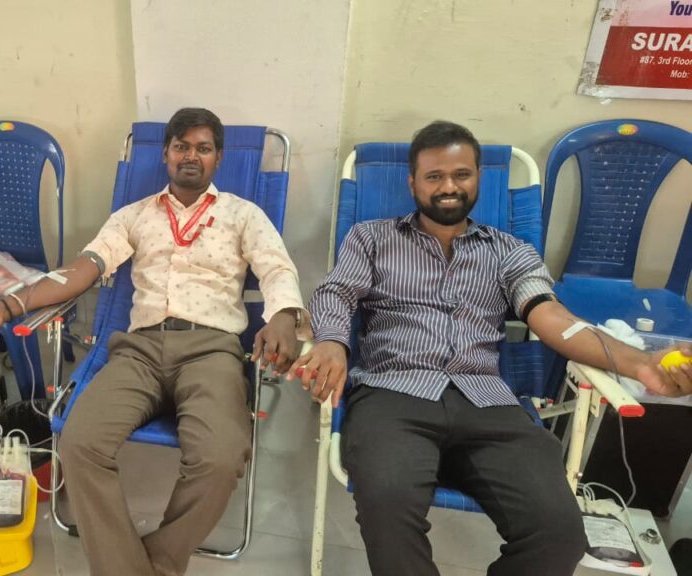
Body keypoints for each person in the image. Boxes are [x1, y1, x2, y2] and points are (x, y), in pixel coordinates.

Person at [291, 120, 692, 576]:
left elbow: (551, 316)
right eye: (434, 176)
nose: (448, 187)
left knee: (560, 533)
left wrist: (641, 364)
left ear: (478, 177)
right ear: (413, 183)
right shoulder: (372, 238)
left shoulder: (510, 252)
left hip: (487, 403)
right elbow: (337, 293)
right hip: (392, 395)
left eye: (461, 174)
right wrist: (332, 342)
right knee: (387, 503)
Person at [0, 107, 309, 576]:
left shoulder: (243, 215)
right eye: (181, 146)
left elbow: (277, 269)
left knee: (221, 458)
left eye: (203, 148)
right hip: (139, 351)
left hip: (211, 352)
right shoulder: (134, 216)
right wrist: (5, 306)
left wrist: (283, 316)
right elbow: (81, 272)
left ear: (218, 158)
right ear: (166, 154)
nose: (191, 156)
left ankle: (153, 563)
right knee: (79, 442)